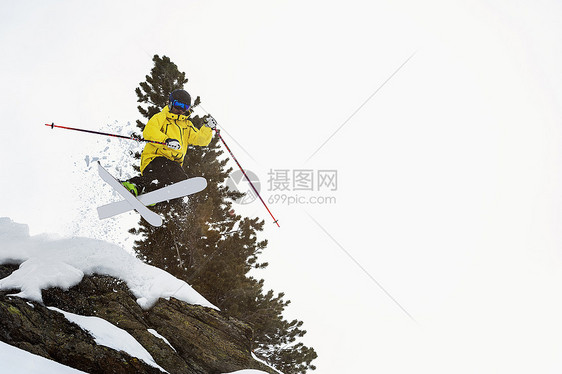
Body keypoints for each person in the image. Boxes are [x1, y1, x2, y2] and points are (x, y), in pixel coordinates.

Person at [122, 89, 214, 196]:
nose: (180, 110)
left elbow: (201, 140)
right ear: (170, 103)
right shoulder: (161, 117)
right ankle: (132, 184)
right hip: (155, 158)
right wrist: (165, 140)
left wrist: (207, 128)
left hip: (174, 164)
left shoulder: (187, 125)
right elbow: (149, 131)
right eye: (178, 105)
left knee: (179, 183)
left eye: (184, 107)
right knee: (159, 171)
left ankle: (155, 198)